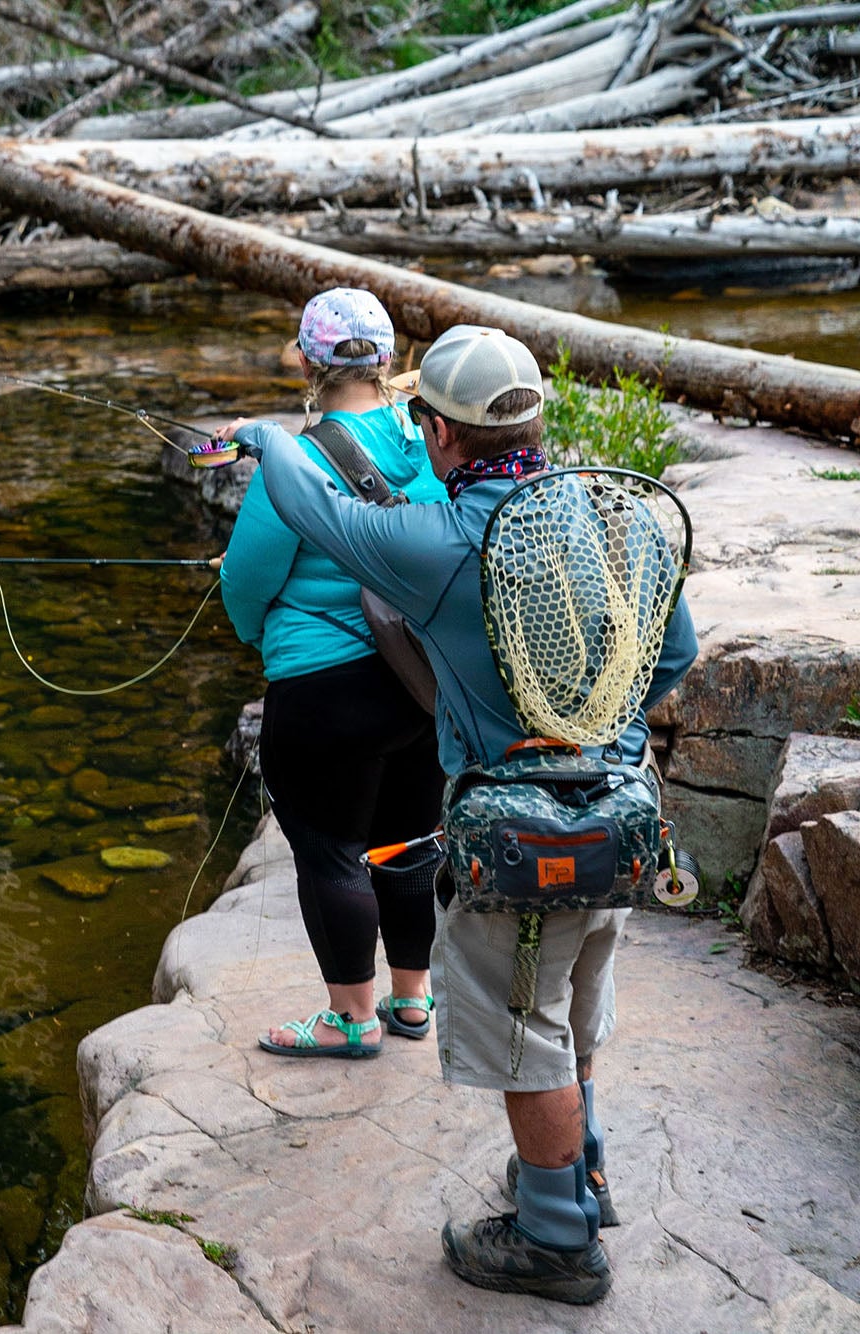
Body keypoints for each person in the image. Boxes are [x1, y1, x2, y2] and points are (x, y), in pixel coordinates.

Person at [216, 326, 698, 1305]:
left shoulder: (433, 543)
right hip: (620, 809)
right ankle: (575, 1171)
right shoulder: (621, 516)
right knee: (570, 1008)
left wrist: (269, 438)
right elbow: (674, 653)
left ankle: (555, 1237)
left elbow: (311, 504)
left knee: (523, 1033)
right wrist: (585, 727)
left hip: (527, 839)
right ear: (532, 419)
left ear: (435, 430)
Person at [219, 288, 447, 1060]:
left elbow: (247, 582)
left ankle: (352, 1021)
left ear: (312, 361)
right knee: (412, 841)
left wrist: (261, 638)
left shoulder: (299, 456)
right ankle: (412, 1001)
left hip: (322, 694)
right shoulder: (429, 444)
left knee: (330, 851)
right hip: (419, 685)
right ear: (388, 359)